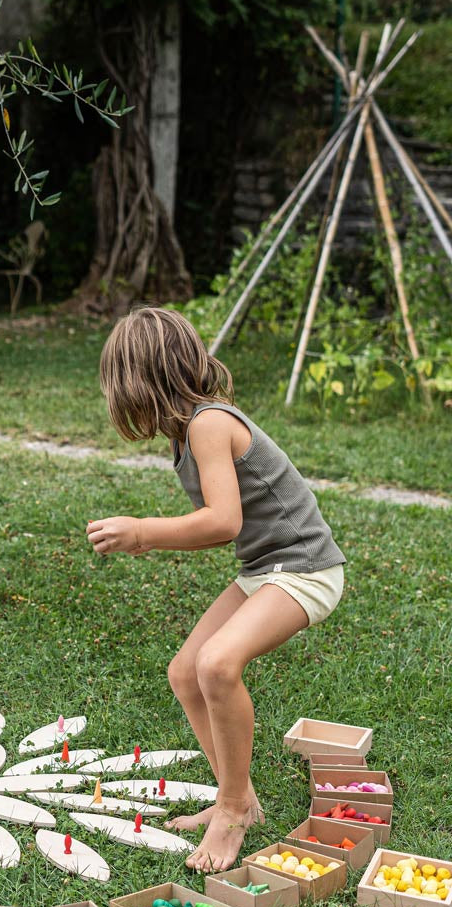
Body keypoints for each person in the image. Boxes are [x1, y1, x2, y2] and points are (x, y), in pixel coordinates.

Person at [86, 307, 345, 872]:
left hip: (305, 568)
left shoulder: (207, 422)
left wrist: (144, 532)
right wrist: (147, 538)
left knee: (217, 664)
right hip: (266, 569)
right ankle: (240, 797)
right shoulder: (187, 432)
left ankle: (229, 810)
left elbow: (223, 521)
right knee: (186, 671)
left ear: (142, 381)